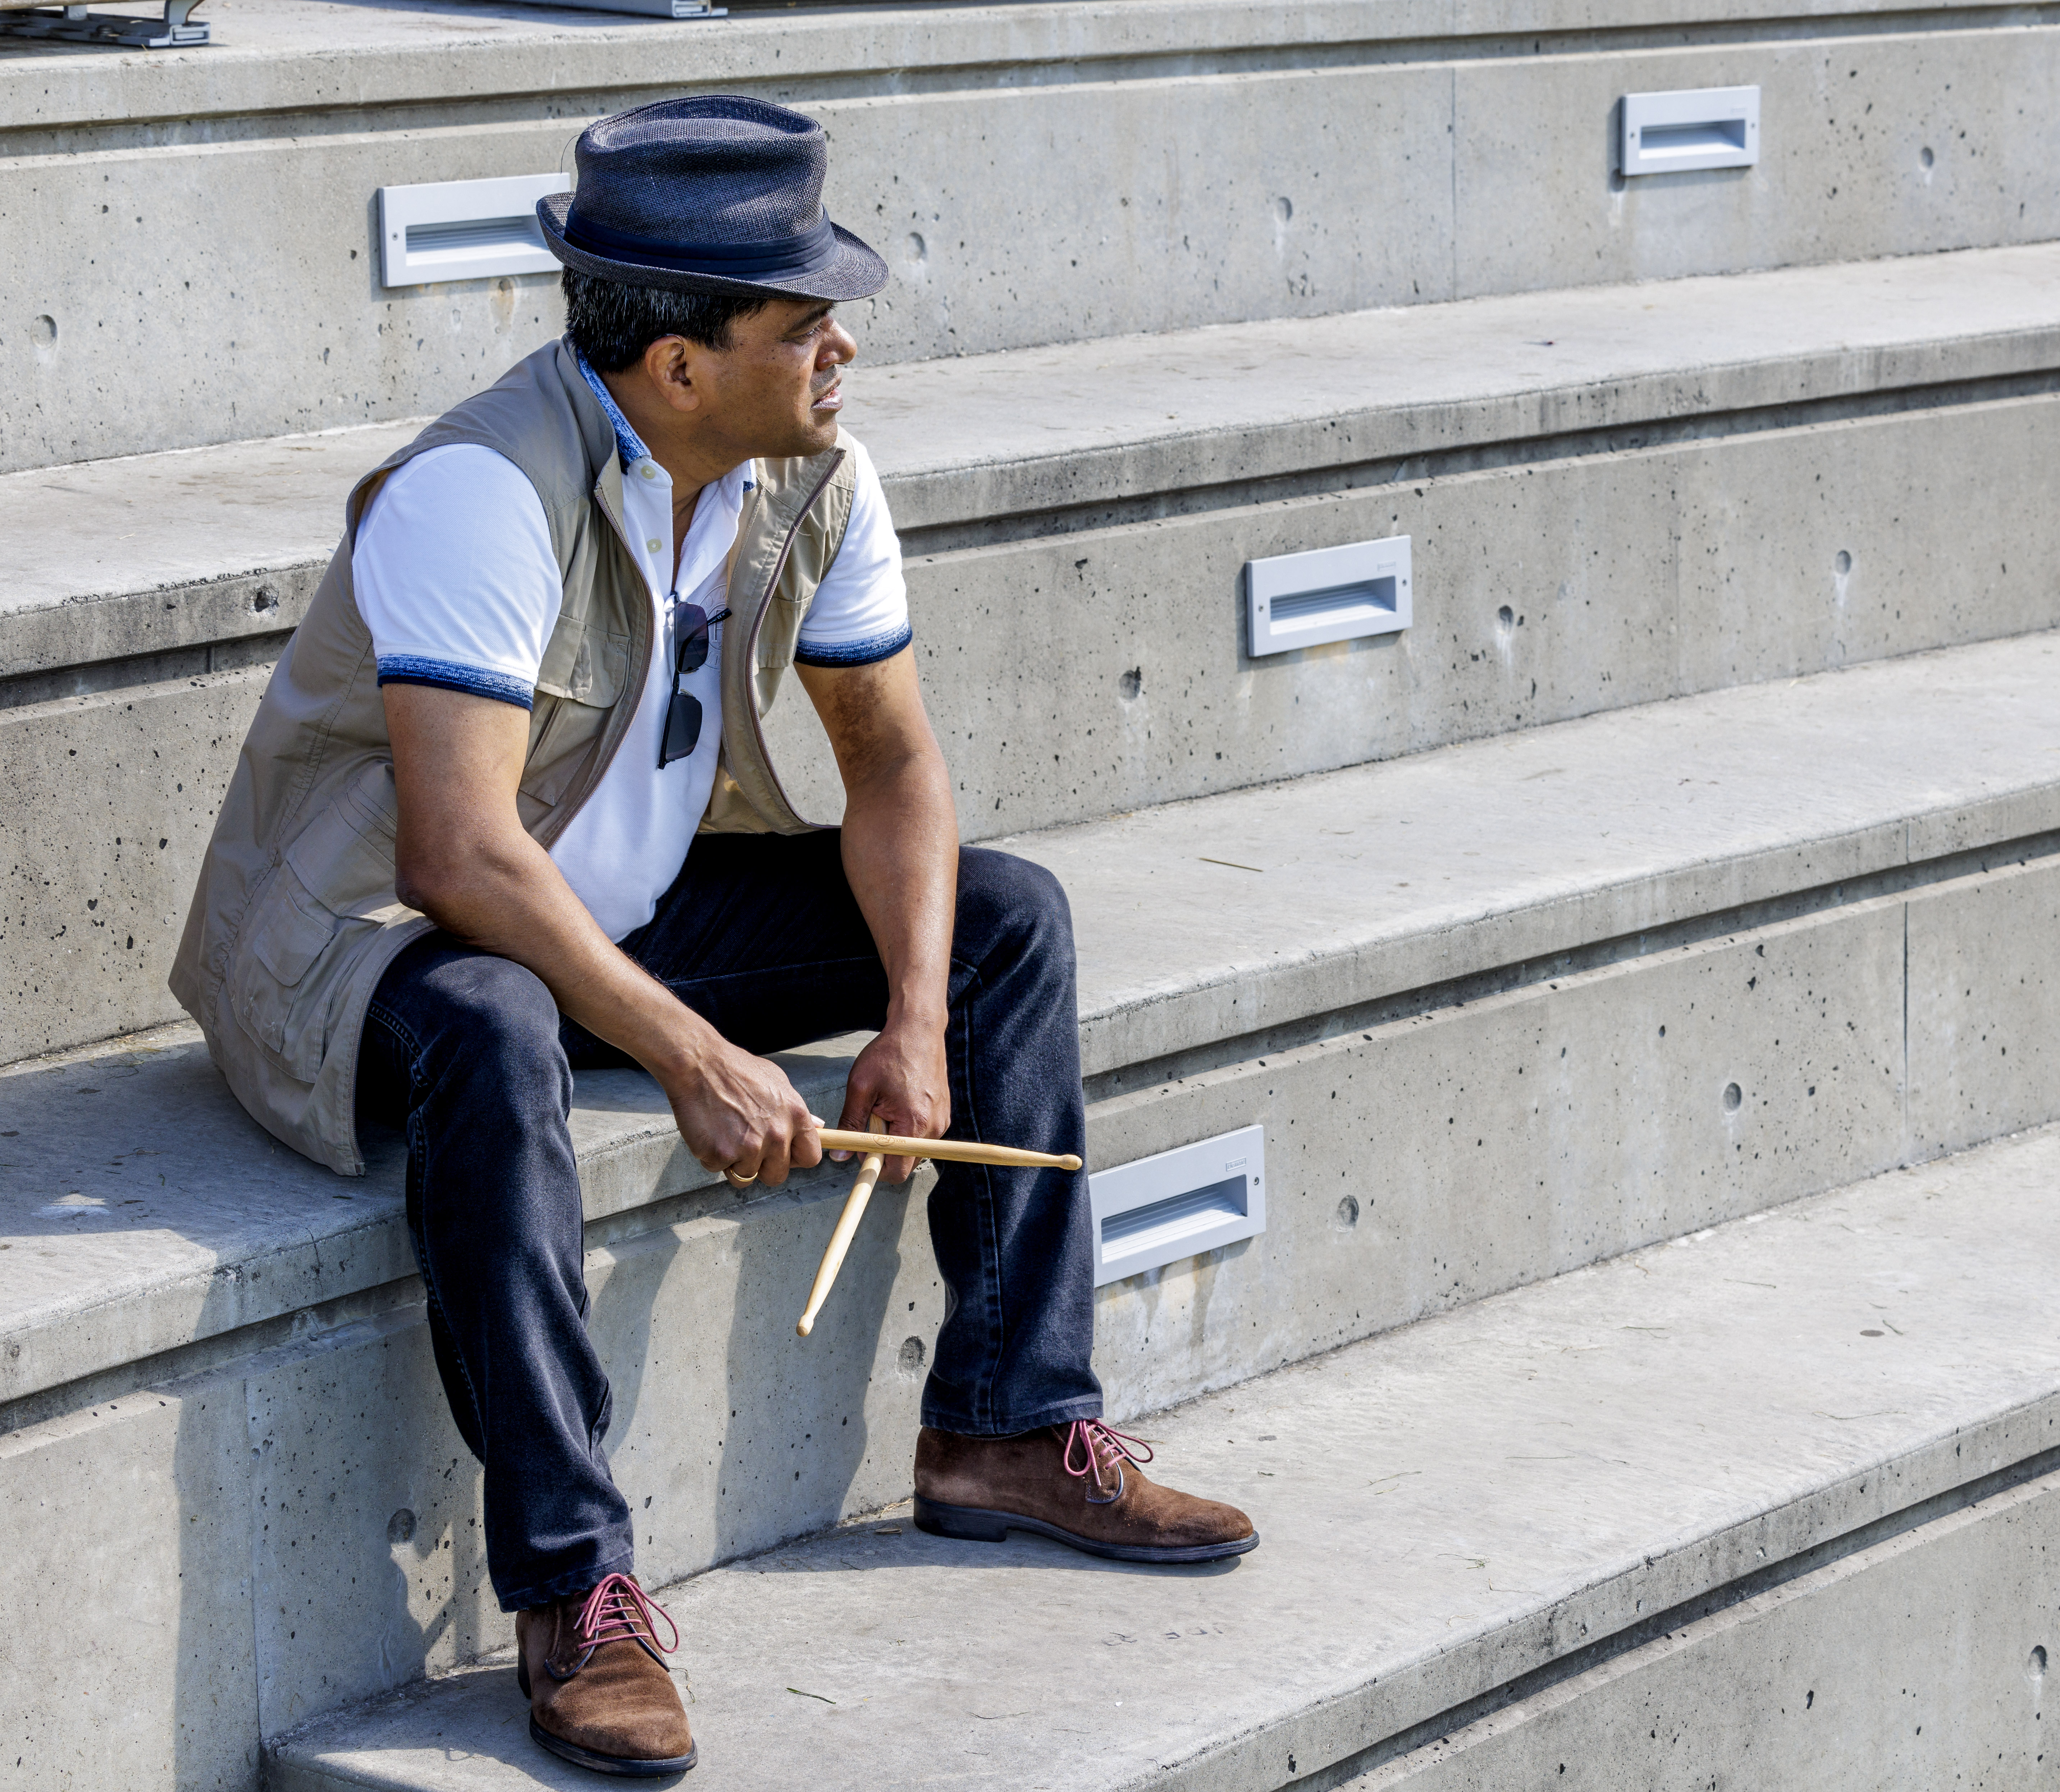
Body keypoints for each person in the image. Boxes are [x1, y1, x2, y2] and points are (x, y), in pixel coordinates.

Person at [169, 95, 1255, 1778]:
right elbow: (458, 856)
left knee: (1000, 920)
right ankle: (575, 1587)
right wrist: (691, 1053)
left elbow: (893, 766)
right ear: (679, 366)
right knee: (494, 1026)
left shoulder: (811, 477)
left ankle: (1008, 1423)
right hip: (362, 944)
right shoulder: (480, 491)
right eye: (803, 322)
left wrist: (912, 1020)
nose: (842, 350)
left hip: (625, 908)